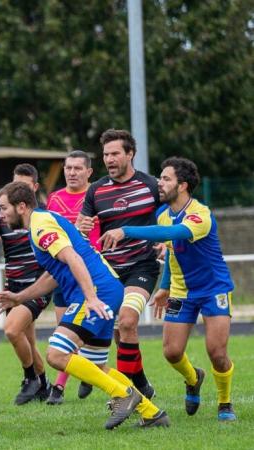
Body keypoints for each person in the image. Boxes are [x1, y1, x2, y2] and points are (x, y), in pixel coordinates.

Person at [0, 182, 169, 429]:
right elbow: (53, 274)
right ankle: (153, 414)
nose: (0, 214)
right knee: (95, 366)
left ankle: (124, 395)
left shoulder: (40, 226)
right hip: (104, 289)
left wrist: (91, 298)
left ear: (21, 206)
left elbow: (73, 257)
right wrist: (20, 298)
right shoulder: (42, 222)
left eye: (3, 207)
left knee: (57, 354)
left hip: (97, 291)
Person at [99, 157, 236, 422]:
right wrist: (164, 287)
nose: (159, 183)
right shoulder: (163, 215)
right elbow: (172, 252)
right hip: (182, 291)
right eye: (160, 178)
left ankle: (225, 403)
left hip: (213, 288)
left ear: (182, 185)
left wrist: (125, 230)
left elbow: (174, 234)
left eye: (166, 179)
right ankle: (194, 379)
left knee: (217, 353)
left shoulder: (200, 214)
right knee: (171, 352)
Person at [75, 129, 160, 400]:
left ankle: (130, 395)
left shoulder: (151, 186)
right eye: (105, 155)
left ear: (130, 154)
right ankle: (142, 383)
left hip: (142, 267)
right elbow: (81, 231)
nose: (109, 159)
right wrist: (80, 226)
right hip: (109, 272)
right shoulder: (96, 190)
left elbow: (171, 217)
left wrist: (164, 240)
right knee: (120, 333)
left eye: (115, 154)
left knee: (126, 321)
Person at [0, 164, 51, 405]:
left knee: (11, 329)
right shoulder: (3, 214)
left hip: (36, 287)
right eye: (14, 183)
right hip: (14, 288)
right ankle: (43, 385)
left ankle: (30, 378)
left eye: (23, 185)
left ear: (33, 189)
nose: (17, 189)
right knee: (27, 342)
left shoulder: (42, 218)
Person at [44, 150, 98, 405]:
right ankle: (70, 379)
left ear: (89, 172)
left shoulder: (97, 197)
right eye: (68, 168)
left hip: (91, 273)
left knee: (91, 333)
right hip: (62, 274)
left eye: (78, 168)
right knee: (63, 331)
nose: (72, 173)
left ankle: (59, 387)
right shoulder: (54, 199)